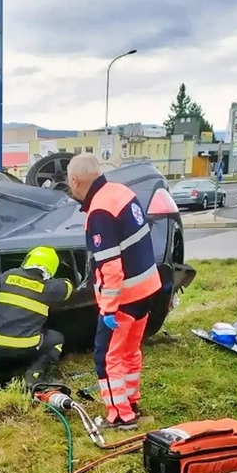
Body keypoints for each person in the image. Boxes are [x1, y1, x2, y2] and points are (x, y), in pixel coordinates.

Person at [66, 153, 162, 430]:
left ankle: (120, 416)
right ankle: (131, 402)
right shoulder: (121, 192)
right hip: (146, 288)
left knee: (106, 357)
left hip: (123, 297)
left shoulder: (99, 211)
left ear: (75, 181)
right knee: (129, 351)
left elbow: (110, 267)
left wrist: (108, 309)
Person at [0, 246, 73, 391]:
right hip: (23, 347)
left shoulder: (7, 276)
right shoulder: (50, 288)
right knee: (57, 339)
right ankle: (33, 377)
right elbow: (68, 288)